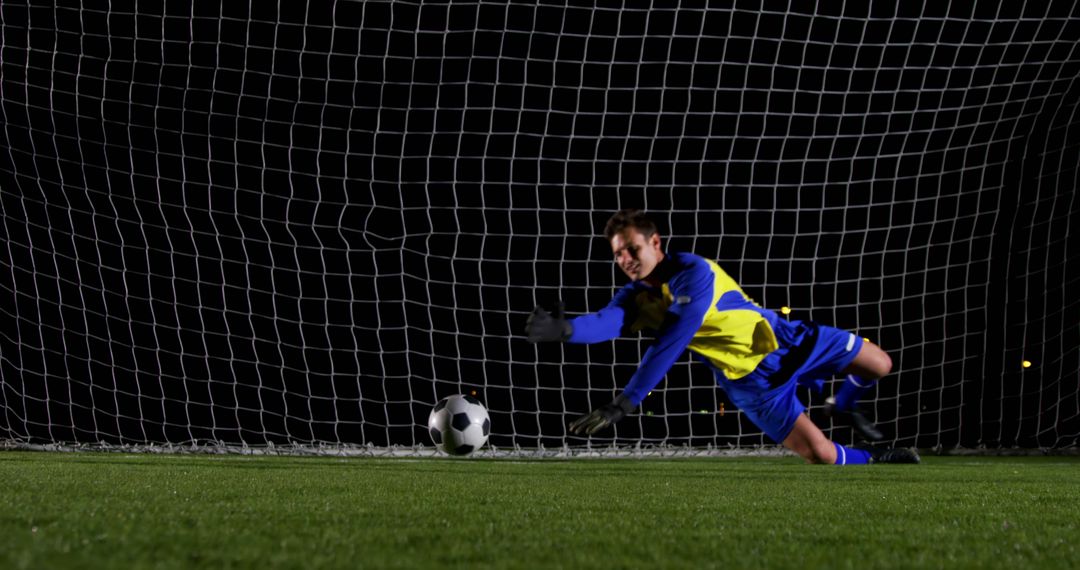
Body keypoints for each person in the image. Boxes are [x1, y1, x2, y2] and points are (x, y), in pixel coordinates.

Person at [525, 209, 919, 465]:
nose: (626, 259)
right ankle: (874, 457)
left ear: (655, 243)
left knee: (880, 363)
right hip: (749, 382)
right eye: (617, 254)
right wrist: (567, 330)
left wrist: (625, 402)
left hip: (784, 339)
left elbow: (673, 340)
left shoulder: (693, 273)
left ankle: (843, 405)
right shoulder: (636, 296)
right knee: (820, 454)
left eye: (632, 248)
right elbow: (607, 321)